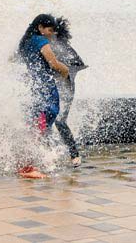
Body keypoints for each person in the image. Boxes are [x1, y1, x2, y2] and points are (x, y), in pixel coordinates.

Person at [15, 14, 69, 179]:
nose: (51, 34)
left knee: (36, 126)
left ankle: (28, 164)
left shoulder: (25, 44)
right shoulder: (40, 41)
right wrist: (65, 70)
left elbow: (14, 59)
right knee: (39, 126)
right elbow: (53, 63)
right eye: (49, 30)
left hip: (33, 88)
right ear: (40, 28)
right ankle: (27, 168)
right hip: (44, 89)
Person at [50, 16, 87, 167]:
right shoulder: (46, 45)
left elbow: (79, 65)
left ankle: (74, 154)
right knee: (51, 121)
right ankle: (52, 153)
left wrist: (62, 70)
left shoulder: (64, 47)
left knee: (59, 121)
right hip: (54, 88)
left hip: (66, 88)